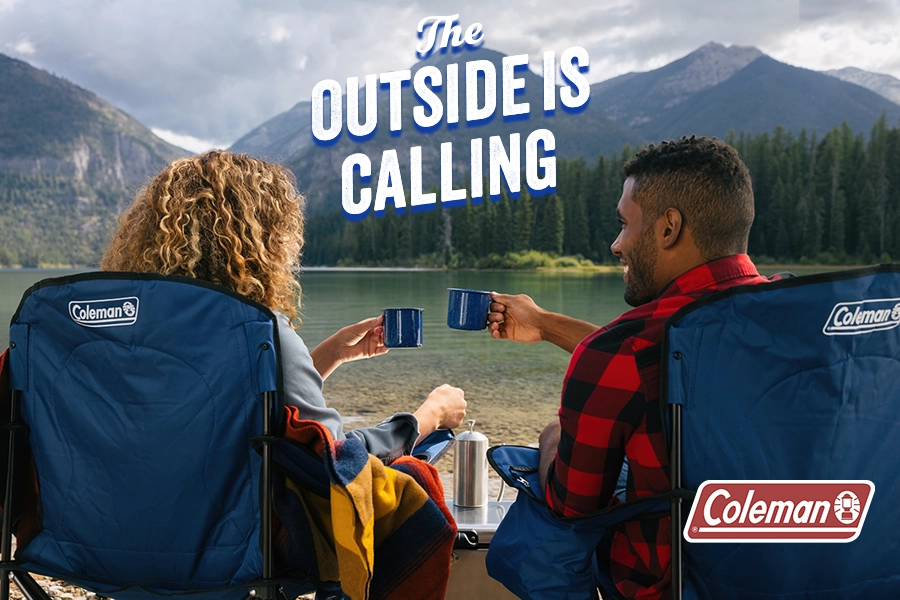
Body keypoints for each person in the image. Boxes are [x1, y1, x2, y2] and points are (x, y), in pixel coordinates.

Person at [488, 136, 785, 599]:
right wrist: (546, 325)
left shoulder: (625, 349)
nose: (615, 244)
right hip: (810, 573)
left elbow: (572, 505)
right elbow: (646, 358)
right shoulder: (809, 322)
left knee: (546, 525)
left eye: (624, 224)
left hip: (682, 586)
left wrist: (550, 441)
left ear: (668, 229)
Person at [101, 149, 467, 461]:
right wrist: (427, 415)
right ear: (262, 243)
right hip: (229, 543)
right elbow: (337, 459)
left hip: (95, 538)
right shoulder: (259, 333)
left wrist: (329, 355)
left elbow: (241, 407)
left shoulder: (124, 329)